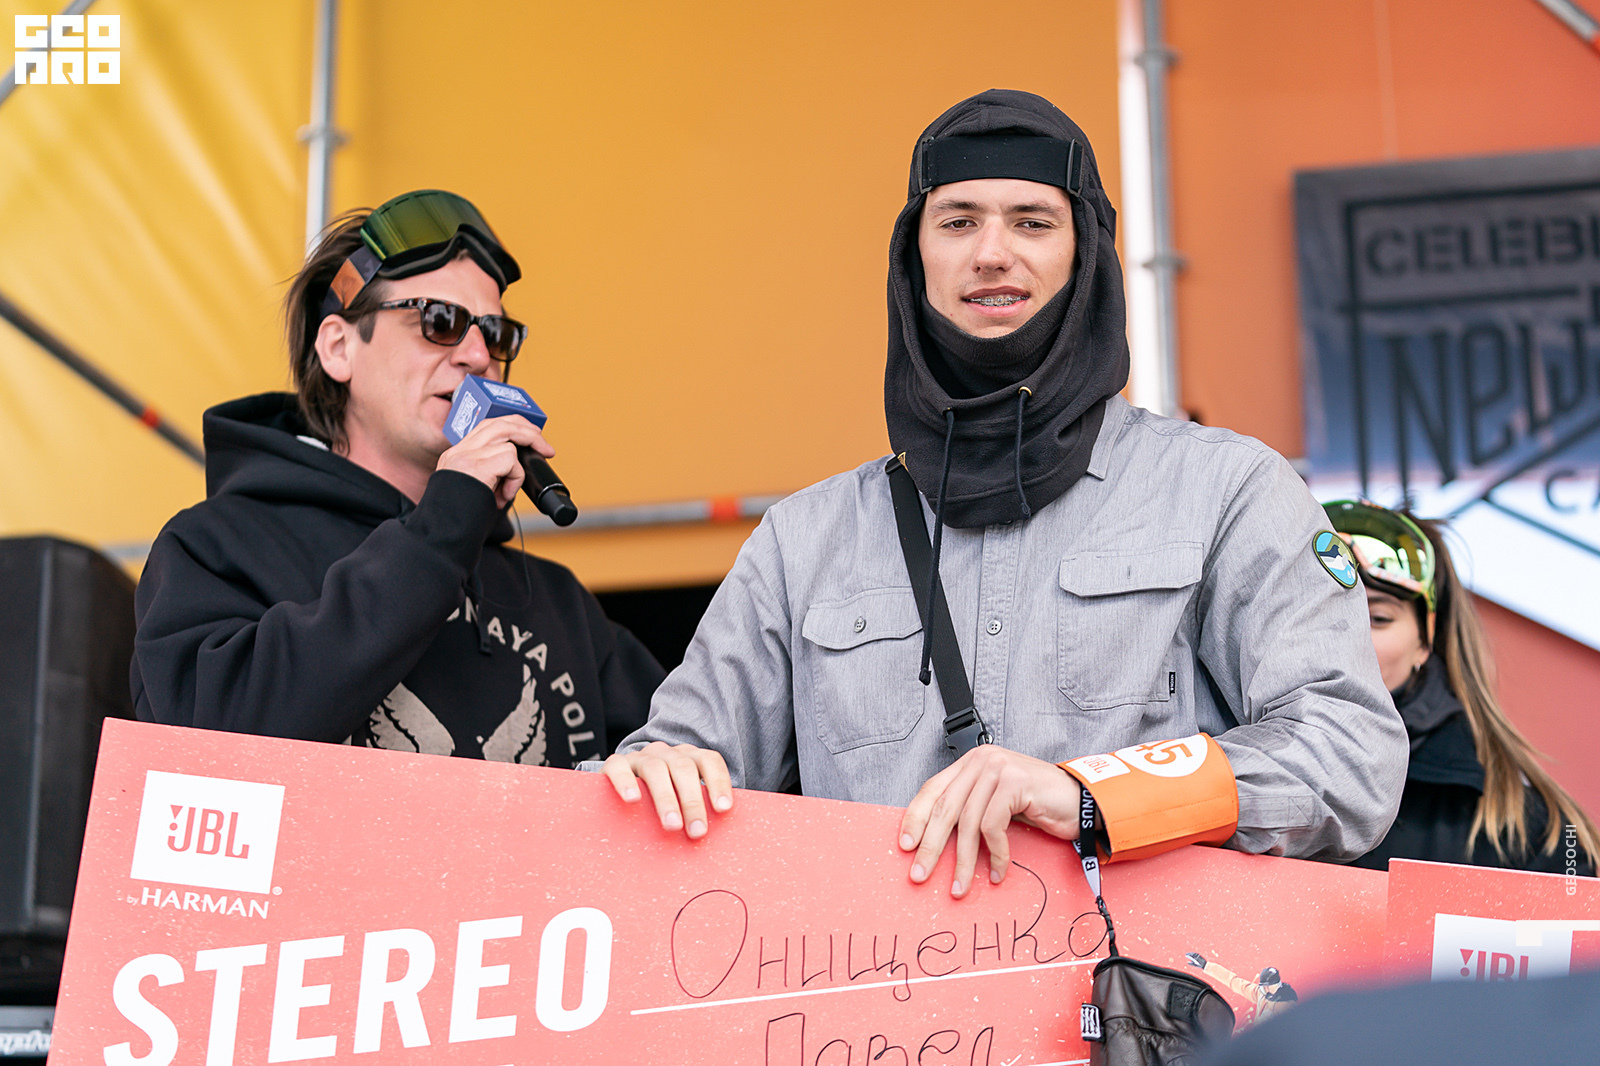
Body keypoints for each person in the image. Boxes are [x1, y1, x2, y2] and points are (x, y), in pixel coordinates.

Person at [598, 90, 1407, 895]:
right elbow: (667, 770)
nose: (991, 252)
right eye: (957, 222)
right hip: (874, 984)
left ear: (1085, 255)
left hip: (1145, 979)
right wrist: (660, 772)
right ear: (914, 258)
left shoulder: (1227, 491)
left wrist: (1094, 796)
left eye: (1032, 222)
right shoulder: (800, 541)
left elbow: (1348, 754)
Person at [132, 190, 663, 764]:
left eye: (496, 333)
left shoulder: (562, 605)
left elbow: (688, 753)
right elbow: (207, 751)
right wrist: (442, 527)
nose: (478, 355)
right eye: (440, 321)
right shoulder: (218, 545)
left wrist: (668, 758)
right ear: (339, 348)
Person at [1326, 500, 1598, 874]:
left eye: (1378, 617)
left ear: (1425, 640)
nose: (1347, 636)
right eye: (1320, 614)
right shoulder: (1243, 777)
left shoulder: (1538, 837)